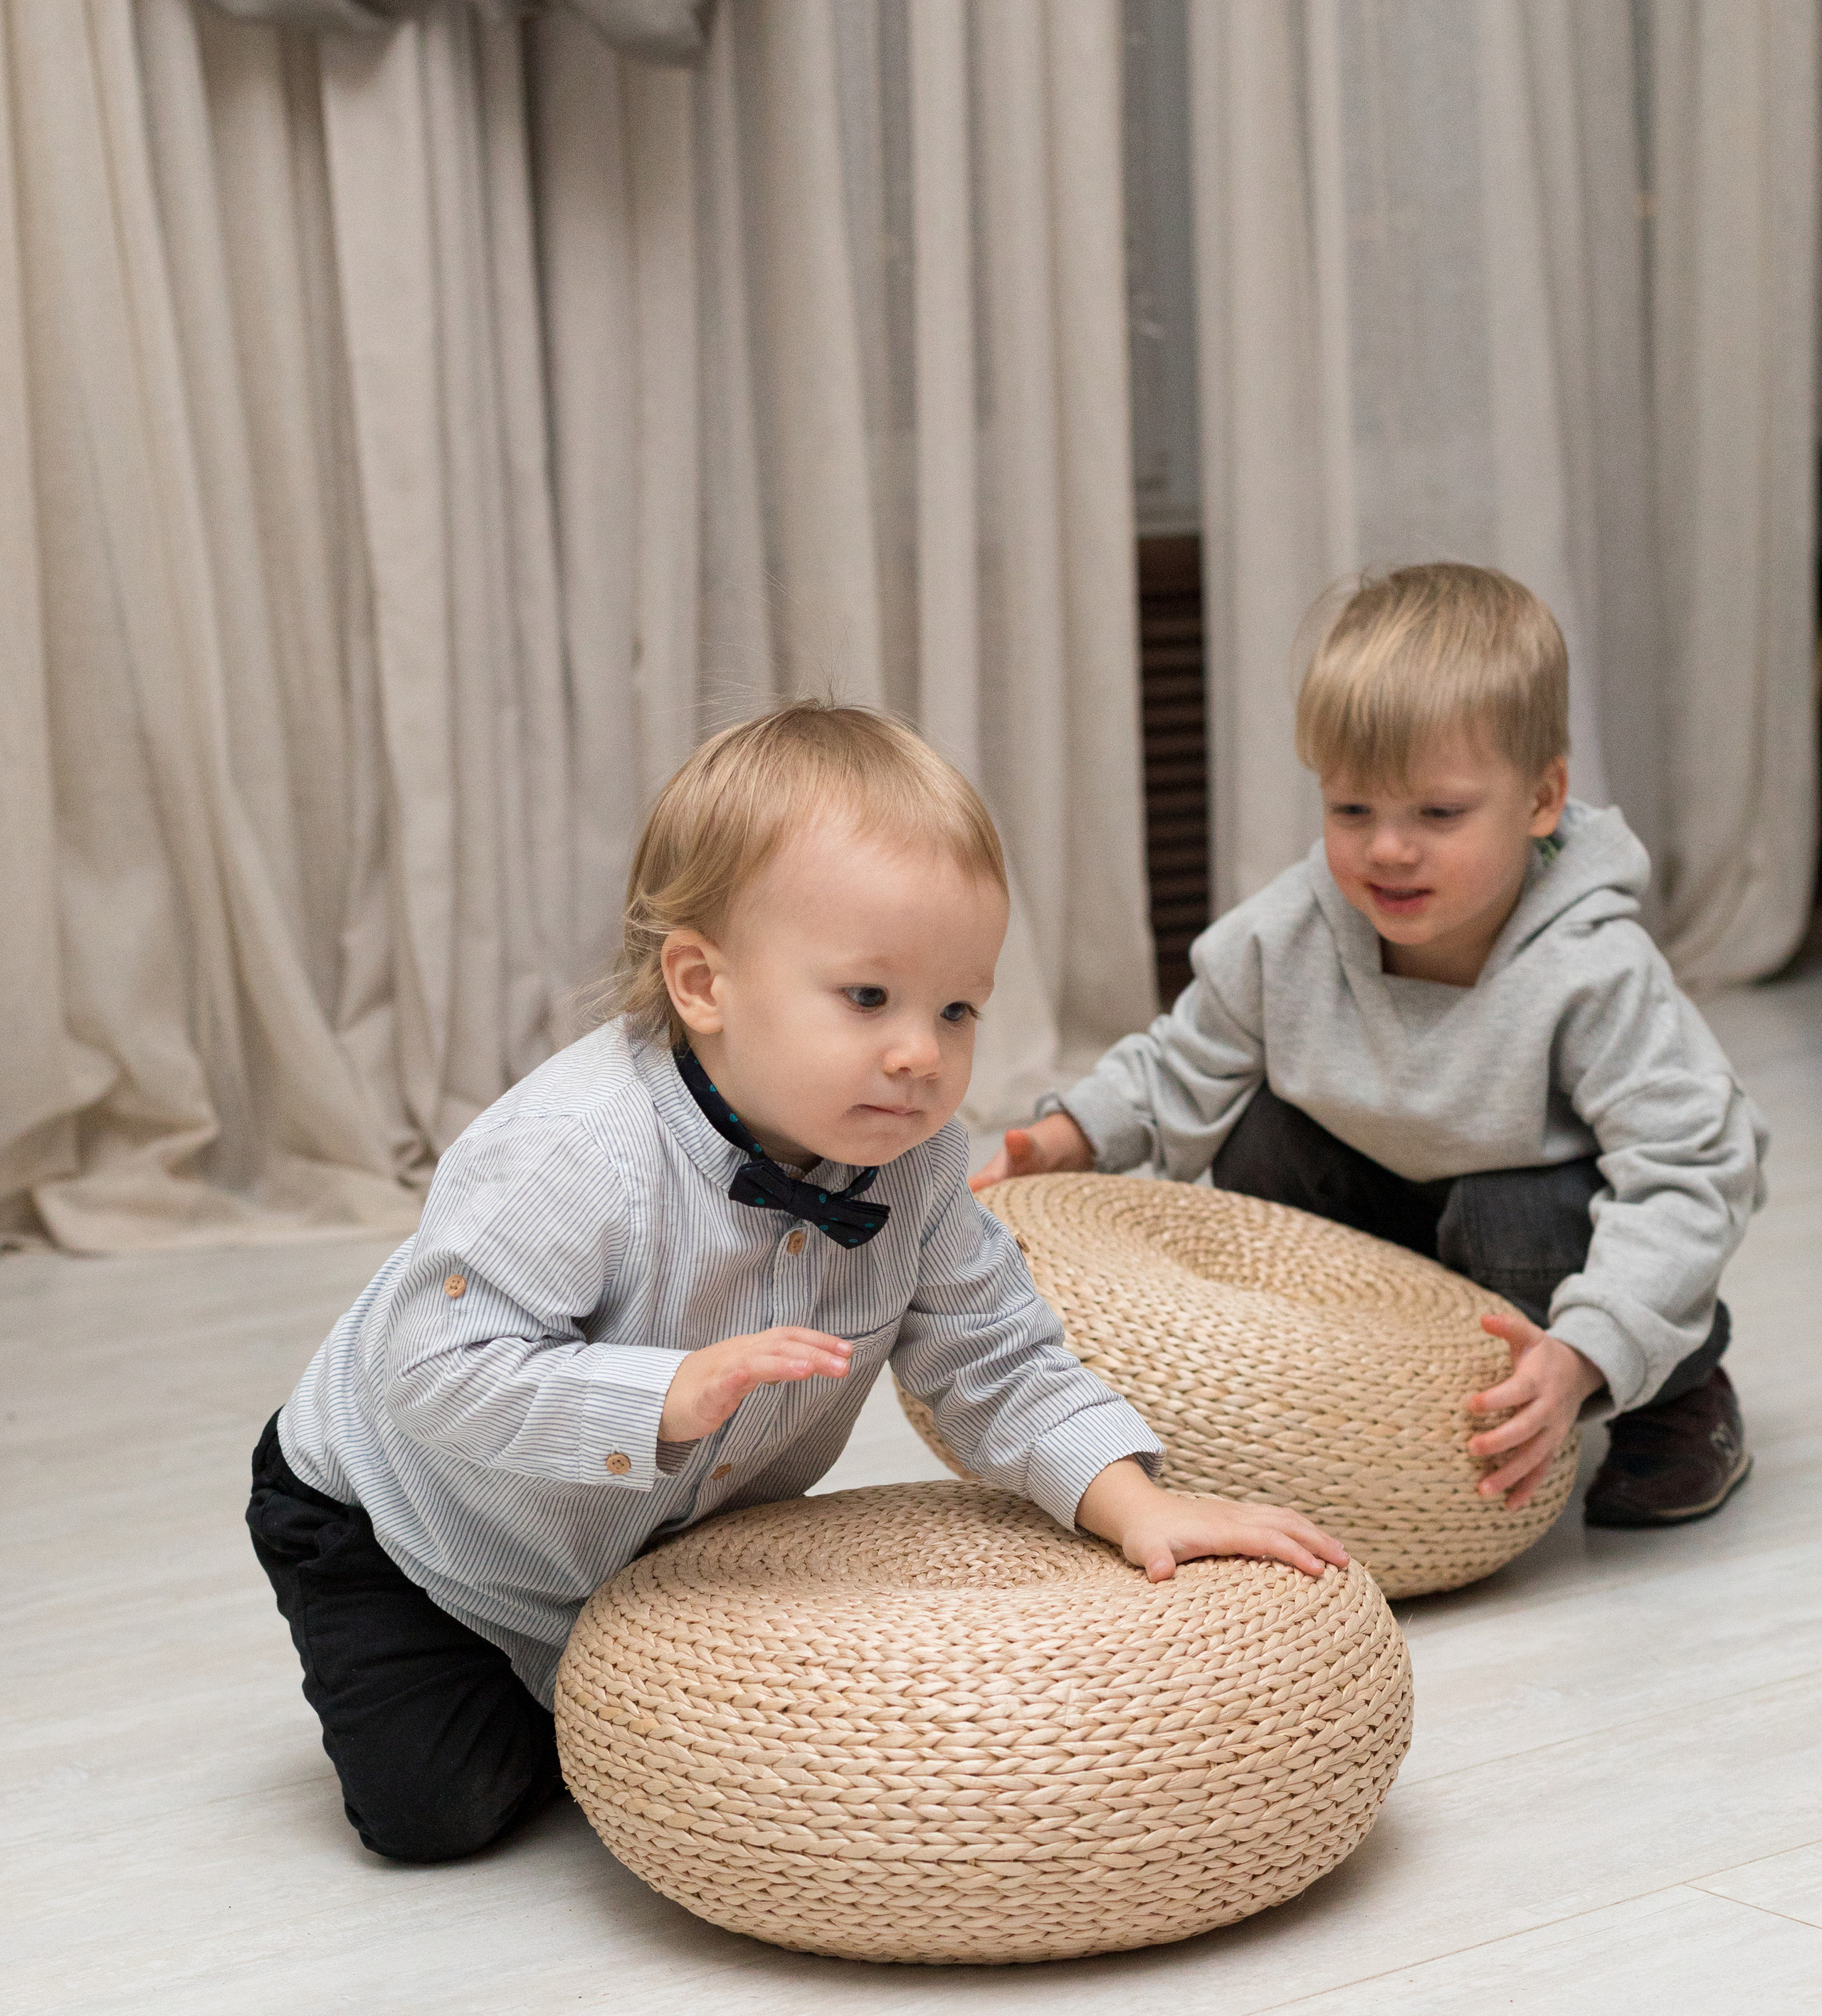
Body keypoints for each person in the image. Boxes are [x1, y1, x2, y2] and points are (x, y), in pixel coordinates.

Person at [248, 703, 1347, 1864]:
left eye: (957, 1007)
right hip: (406, 1522)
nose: (921, 1053)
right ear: (703, 985)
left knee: (764, 1764)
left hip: (637, 1546)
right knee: (441, 1818)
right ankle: (499, 1681)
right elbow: (428, 1369)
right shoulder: (574, 1149)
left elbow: (998, 1358)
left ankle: (582, 1677)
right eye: (869, 999)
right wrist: (660, 1398)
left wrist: (1134, 1501)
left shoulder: (917, 1163)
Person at [978, 563, 1766, 1534]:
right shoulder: (1293, 930)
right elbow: (1188, 1060)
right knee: (1259, 1132)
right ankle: (1374, 1379)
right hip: (1386, 1211)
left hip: (1545, 1235)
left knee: (1505, 1215)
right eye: (1353, 811)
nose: (1388, 850)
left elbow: (1691, 1173)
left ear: (1542, 800)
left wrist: (1597, 1346)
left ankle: (1679, 1388)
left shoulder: (1596, 972)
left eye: (1438, 815)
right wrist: (1073, 1136)